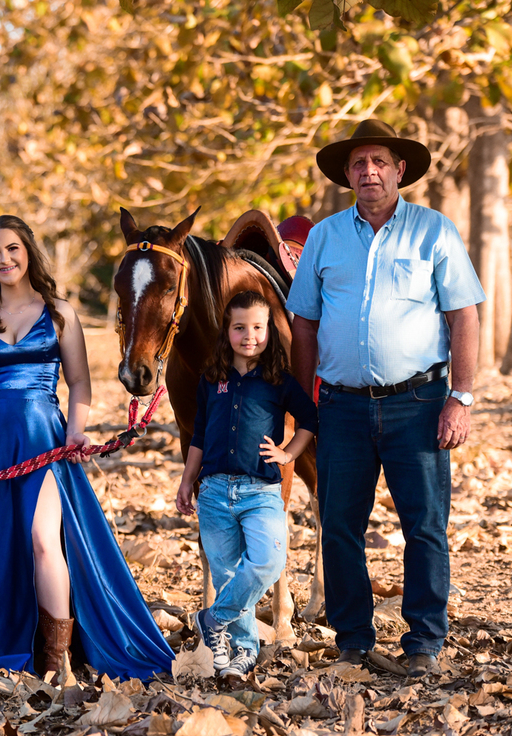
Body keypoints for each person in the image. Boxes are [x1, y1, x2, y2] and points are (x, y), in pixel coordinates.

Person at [0, 215, 174, 681]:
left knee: (44, 539)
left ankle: (56, 658)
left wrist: (76, 430)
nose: (4, 259)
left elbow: (79, 383)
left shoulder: (59, 312)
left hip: (41, 437)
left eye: (12, 248)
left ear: (28, 251)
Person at [286, 119, 485, 680]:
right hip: (342, 407)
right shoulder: (324, 237)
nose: (368, 171)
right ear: (347, 175)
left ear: (399, 170)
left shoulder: (434, 231)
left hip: (418, 403)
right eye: (358, 163)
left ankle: (423, 641)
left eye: (378, 162)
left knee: (424, 525)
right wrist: (303, 405)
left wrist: (460, 397)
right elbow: (304, 325)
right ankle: (352, 640)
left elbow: (464, 316)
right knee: (339, 525)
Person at [175, 291, 317, 680]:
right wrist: (187, 481)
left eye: (258, 327)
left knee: (269, 560)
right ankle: (242, 651)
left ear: (269, 330)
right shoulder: (211, 380)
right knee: (226, 574)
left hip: (261, 491)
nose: (249, 336)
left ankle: (212, 618)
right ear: (227, 331)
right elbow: (198, 435)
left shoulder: (279, 381)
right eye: (240, 327)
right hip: (214, 492)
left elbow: (308, 419)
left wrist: (287, 454)